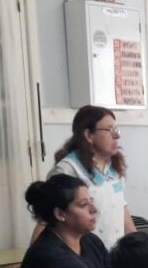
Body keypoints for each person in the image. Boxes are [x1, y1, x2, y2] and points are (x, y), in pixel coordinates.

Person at [47, 105, 137, 249]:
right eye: (110, 130)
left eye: (116, 129)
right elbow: (48, 220)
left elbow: (122, 208)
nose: (117, 136)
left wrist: (139, 246)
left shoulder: (113, 168)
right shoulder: (68, 169)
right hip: (84, 255)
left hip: (114, 254)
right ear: (89, 135)